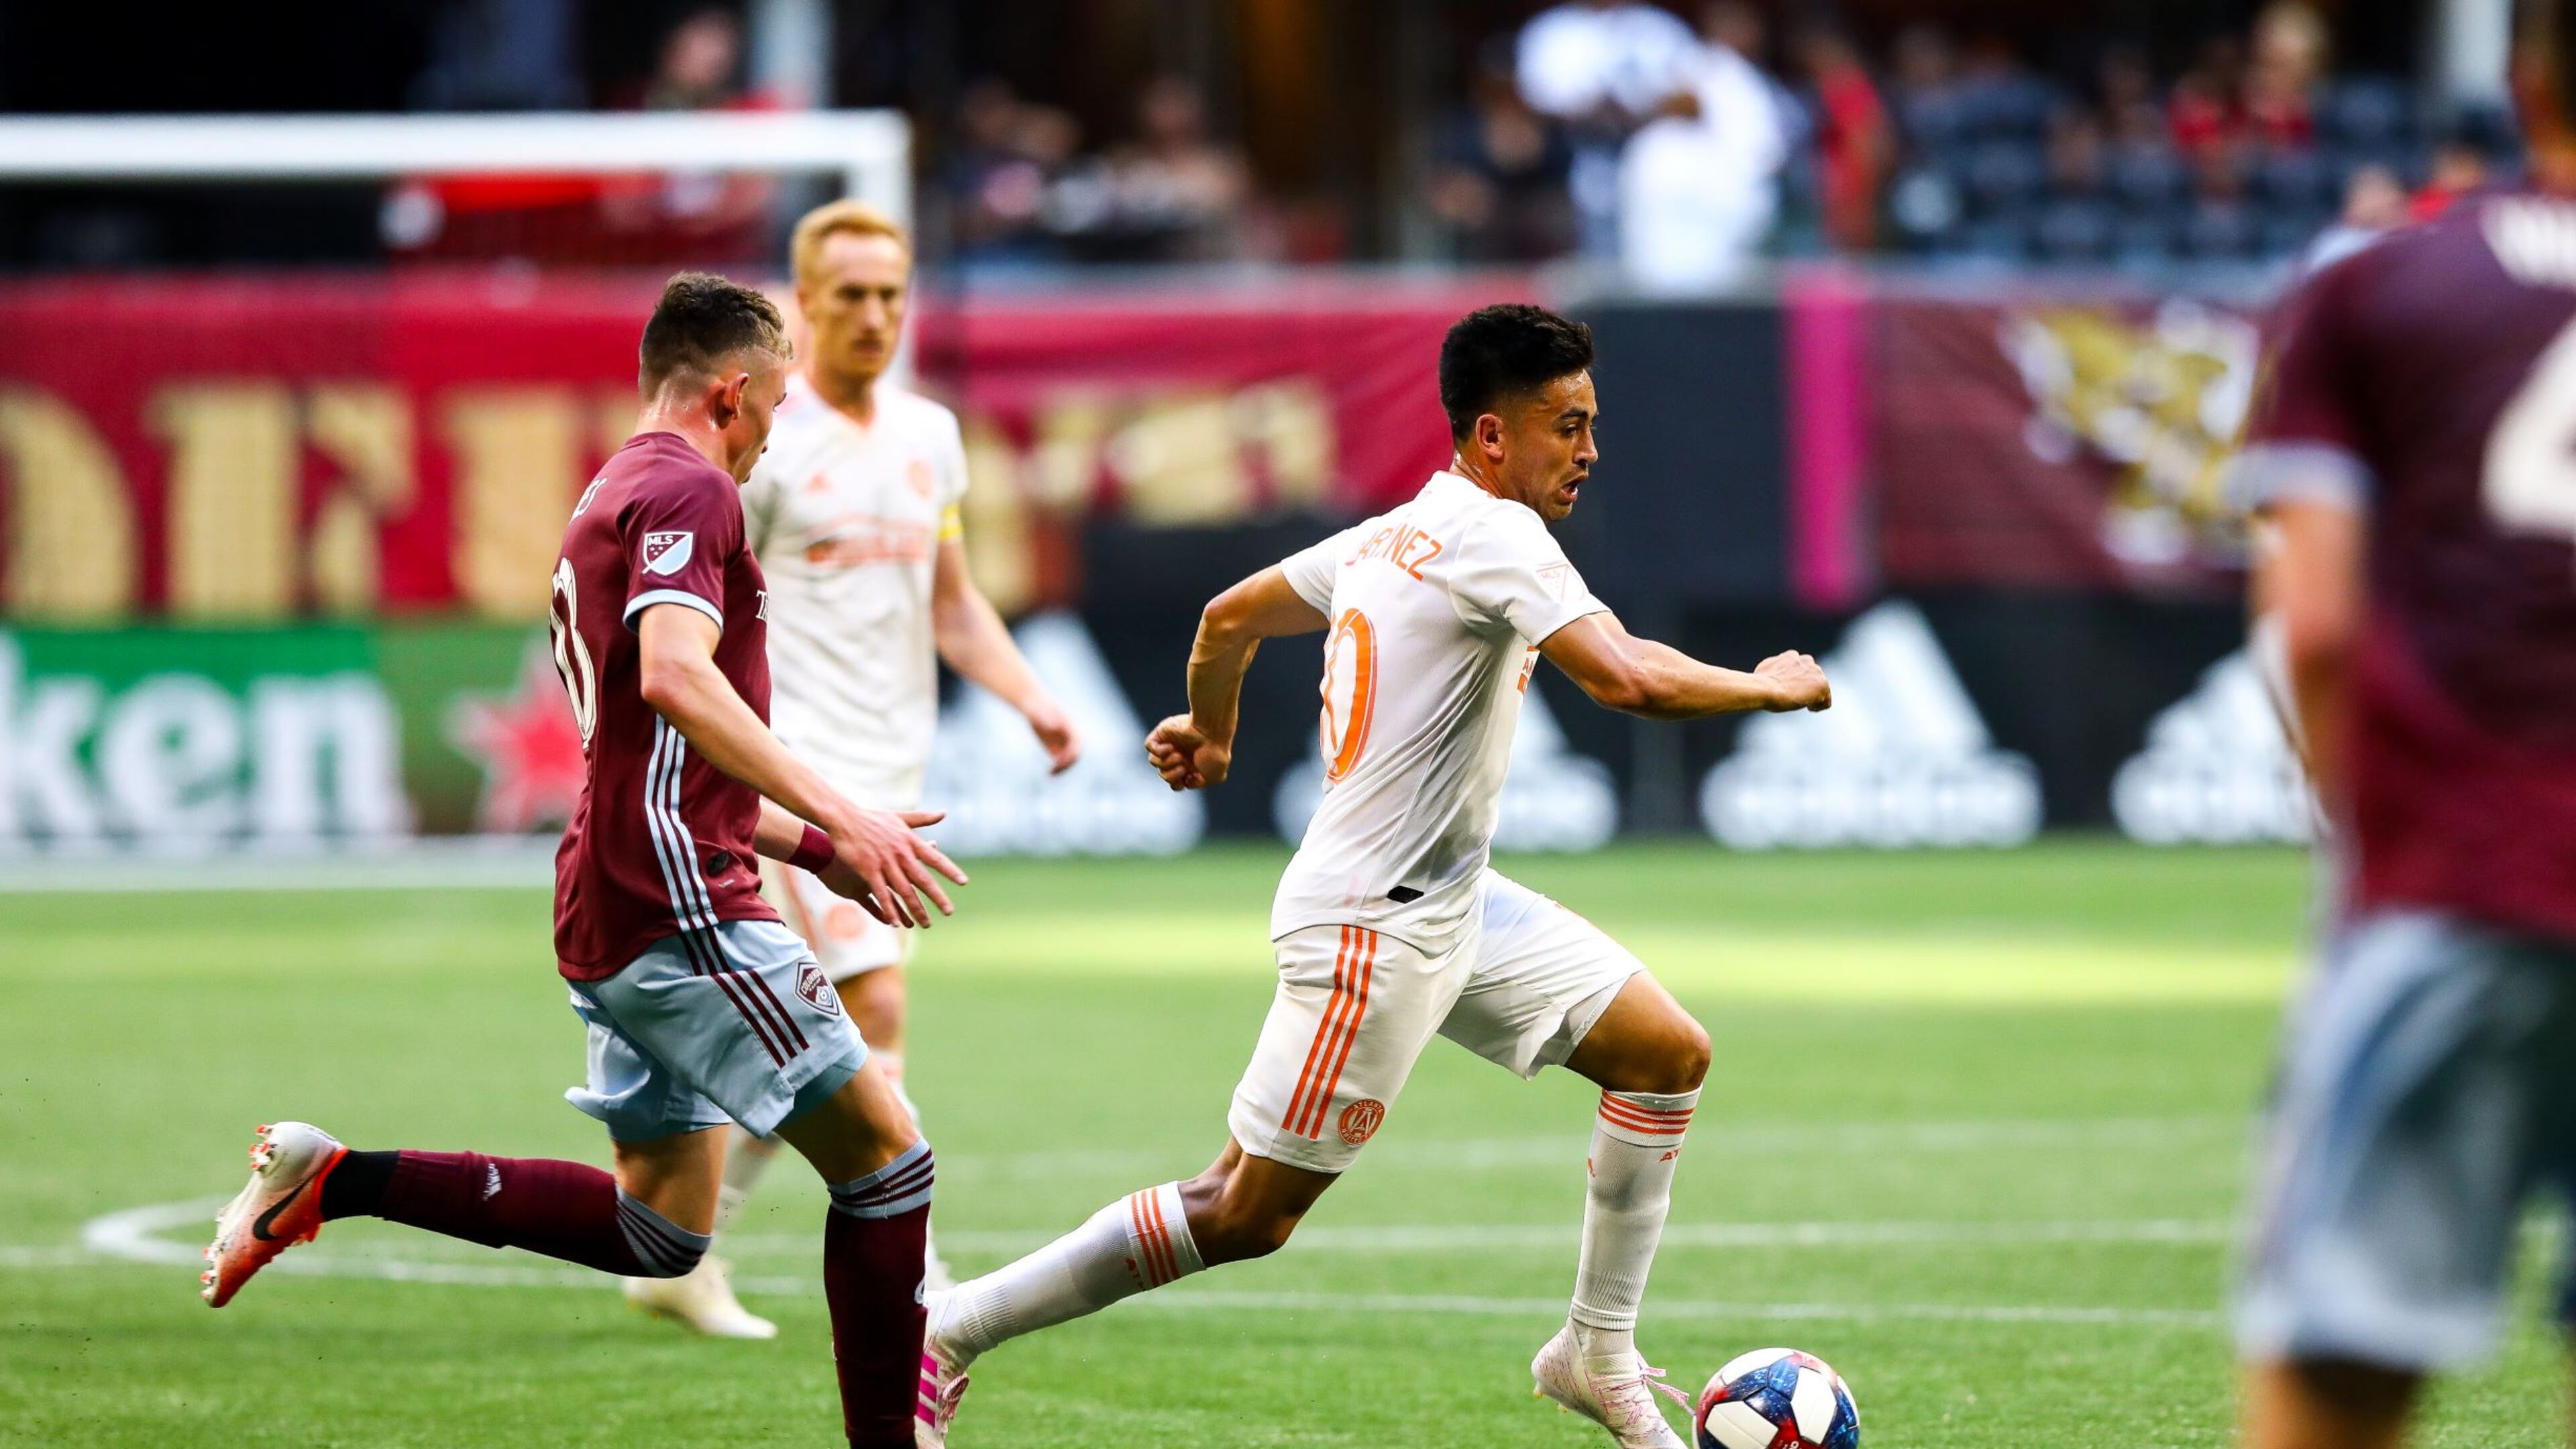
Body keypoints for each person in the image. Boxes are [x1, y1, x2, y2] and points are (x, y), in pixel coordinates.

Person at [914, 304, 1833, 1449]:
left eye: (1594, 423)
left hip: (1455, 902)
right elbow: (1627, 680)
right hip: (1373, 931)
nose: (1589, 449)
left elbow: (1227, 618)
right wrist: (1772, 685)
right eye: (1566, 425)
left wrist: (1211, 733)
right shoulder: (1499, 537)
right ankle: (950, 1331)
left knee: (1664, 1055)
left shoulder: (1396, 533)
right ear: (1491, 437)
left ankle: (1595, 1349)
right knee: (1243, 1212)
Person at [196, 273, 968, 1449]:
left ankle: (334, 1177)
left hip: (614, 890)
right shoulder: (693, 489)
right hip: (677, 903)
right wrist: (849, 816)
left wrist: (817, 850)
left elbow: (646, 751)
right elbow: (674, 676)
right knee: (889, 1168)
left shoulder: (610, 489)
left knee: (660, 1233)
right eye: (773, 407)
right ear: (734, 390)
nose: (773, 437)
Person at [618, 202, 1082, 1341]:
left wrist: (1034, 702)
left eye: (893, 291)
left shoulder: (931, 437)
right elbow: (697, 625)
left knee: (819, 1038)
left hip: (893, 780)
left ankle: (677, 1247)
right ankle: (922, 1275)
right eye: (852, 293)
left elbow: (952, 602)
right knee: (865, 1009)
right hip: (795, 785)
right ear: (805, 299)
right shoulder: (764, 445)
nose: (877, 314)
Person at [2229, 3, 2576, 1445]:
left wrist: (2361, 827)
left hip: (2466, 881)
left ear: (2525, 74)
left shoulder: (2380, 288)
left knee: (2341, 1369)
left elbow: (2314, 625)